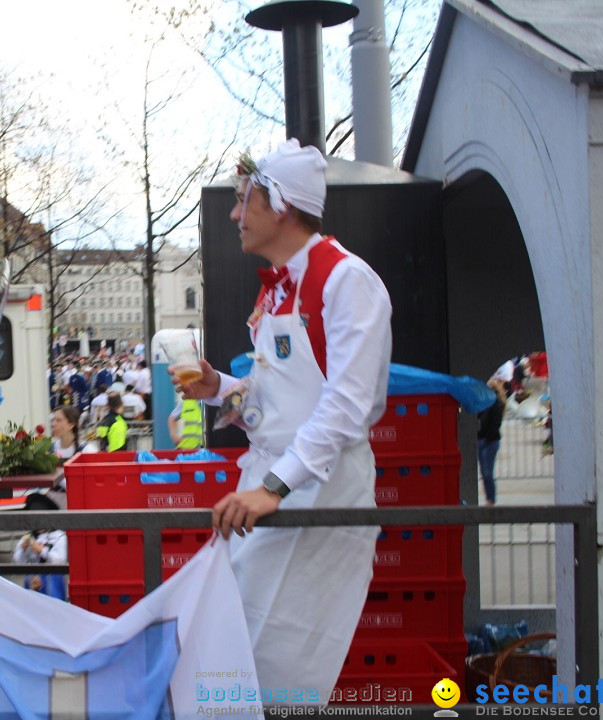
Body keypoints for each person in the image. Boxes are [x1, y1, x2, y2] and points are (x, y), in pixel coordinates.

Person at [176, 139, 392, 701]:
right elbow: (275, 404)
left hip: (318, 494)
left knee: (279, 665)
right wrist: (219, 387)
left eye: (244, 198)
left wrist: (274, 488)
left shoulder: (347, 282)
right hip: (271, 489)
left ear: (282, 207)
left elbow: (345, 406)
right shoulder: (277, 291)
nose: (233, 213)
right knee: (235, 647)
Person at [11, 492, 68, 600]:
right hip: (32, 580)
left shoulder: (58, 536)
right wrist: (23, 550)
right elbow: (19, 561)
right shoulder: (28, 537)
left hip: (52, 580)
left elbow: (59, 560)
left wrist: (42, 551)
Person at [477, 378, 507, 506]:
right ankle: (490, 498)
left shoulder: (494, 403)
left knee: (487, 471)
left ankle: (491, 499)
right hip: (485, 439)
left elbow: (494, 422)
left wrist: (485, 435)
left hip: (489, 440)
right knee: (486, 472)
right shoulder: (487, 403)